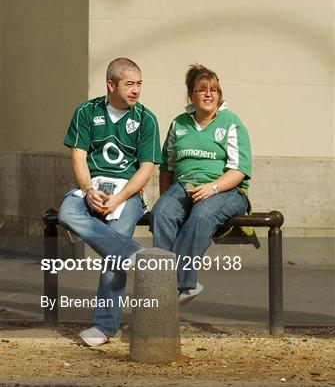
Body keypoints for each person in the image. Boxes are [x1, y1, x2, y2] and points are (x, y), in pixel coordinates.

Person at [58, 58, 162, 346]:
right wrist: (88, 190)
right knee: (67, 212)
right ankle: (133, 254)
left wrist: (120, 197)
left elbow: (146, 168)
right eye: (130, 84)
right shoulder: (86, 112)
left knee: (112, 248)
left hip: (127, 193)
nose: (136, 90)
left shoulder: (146, 118)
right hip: (92, 186)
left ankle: (104, 326)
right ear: (111, 85)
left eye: (139, 83)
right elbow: (78, 156)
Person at [150, 64, 251, 304]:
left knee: (201, 216)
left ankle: (177, 284)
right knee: (161, 213)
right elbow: (167, 166)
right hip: (184, 186)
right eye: (202, 90)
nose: (209, 95)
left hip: (226, 189)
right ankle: (173, 289)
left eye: (214, 90)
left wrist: (212, 188)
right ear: (191, 95)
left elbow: (239, 170)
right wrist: (167, 200)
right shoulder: (179, 124)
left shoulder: (231, 123)